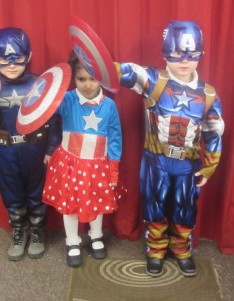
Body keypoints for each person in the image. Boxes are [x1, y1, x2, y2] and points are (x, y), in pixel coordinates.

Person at [114, 20, 224, 277]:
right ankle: (156, 249)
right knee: (155, 204)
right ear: (165, 53)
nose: (184, 61)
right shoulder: (154, 80)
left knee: (185, 207)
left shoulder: (208, 94)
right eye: (176, 54)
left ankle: (181, 249)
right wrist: (98, 63)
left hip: (188, 164)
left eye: (191, 54)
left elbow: (214, 131)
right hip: (156, 160)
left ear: (201, 54)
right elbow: (124, 72)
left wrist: (210, 167)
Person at [0, 27, 61, 261]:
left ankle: (37, 231)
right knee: (11, 192)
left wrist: (52, 149)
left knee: (37, 192)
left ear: (29, 56)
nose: (12, 65)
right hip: (5, 150)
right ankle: (19, 231)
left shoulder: (41, 84)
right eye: (4, 59)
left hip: (35, 149)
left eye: (18, 58)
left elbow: (53, 119)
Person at [42, 51, 122, 267]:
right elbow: (47, 111)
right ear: (73, 78)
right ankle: (72, 241)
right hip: (70, 163)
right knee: (70, 203)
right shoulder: (67, 99)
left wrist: (113, 169)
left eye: (93, 79)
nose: (88, 85)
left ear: (101, 78)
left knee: (96, 200)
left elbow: (115, 139)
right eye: (81, 79)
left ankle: (96, 236)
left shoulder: (109, 105)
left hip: (98, 165)